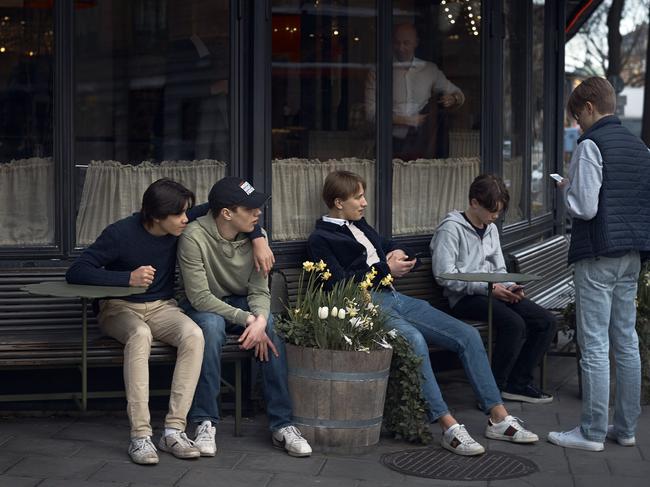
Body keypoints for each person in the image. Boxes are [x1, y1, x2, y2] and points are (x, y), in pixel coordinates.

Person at [307, 170, 539, 457]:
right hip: (365, 306)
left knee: (466, 334)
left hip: (396, 298)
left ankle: (498, 417)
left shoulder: (361, 225)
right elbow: (337, 284)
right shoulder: (321, 237)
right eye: (359, 197)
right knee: (414, 341)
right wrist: (384, 270)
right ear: (338, 202)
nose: (365, 202)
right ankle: (449, 425)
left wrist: (398, 254)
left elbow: (387, 247)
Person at [66, 178, 274, 465]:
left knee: (193, 334)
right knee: (140, 335)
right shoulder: (121, 233)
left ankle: (173, 430)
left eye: (186, 212)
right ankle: (140, 436)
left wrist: (258, 237)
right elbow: (77, 271)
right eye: (178, 215)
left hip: (163, 307)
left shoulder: (180, 222)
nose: (185, 219)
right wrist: (125, 278)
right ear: (155, 217)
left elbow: (227, 210)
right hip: (119, 308)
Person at [548, 77, 650, 452]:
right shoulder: (641, 148)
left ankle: (591, 432)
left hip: (597, 255)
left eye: (577, 117)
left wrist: (567, 189)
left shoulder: (591, 145)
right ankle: (624, 428)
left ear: (589, 108)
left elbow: (585, 207)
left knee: (593, 346)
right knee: (626, 342)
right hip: (631, 255)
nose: (578, 125)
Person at [177, 177, 312, 458]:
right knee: (211, 328)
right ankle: (205, 421)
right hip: (201, 305)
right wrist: (249, 320)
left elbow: (259, 292)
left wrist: (261, 320)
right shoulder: (193, 237)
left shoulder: (255, 239)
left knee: (272, 325)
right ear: (227, 213)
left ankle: (282, 424)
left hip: (239, 302)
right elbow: (200, 298)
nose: (258, 213)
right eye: (250, 208)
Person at [430, 174, 556, 404]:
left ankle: (516, 383)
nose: (495, 217)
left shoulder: (491, 229)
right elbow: (444, 276)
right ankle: (491, 392)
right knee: (514, 324)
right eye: (492, 211)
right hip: (463, 298)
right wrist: (488, 289)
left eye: (499, 212)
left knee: (546, 321)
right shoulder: (450, 229)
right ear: (474, 202)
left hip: (493, 291)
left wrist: (511, 286)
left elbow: (498, 267)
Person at [364, 22, 464, 160]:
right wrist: (406, 121)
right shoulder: (379, 71)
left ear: (416, 43)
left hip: (424, 144)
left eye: (406, 43)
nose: (401, 48)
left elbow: (458, 94)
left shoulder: (429, 70)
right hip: (389, 142)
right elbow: (370, 112)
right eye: (397, 43)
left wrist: (453, 99)